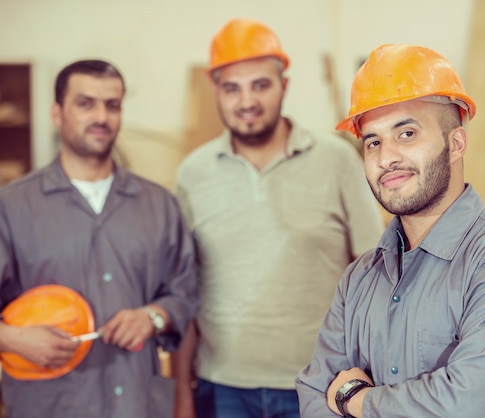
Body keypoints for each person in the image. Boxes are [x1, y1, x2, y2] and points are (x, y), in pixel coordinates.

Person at [295, 44, 485, 418]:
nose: (386, 156)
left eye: (406, 133)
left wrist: (354, 400)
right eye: (372, 141)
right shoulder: (358, 279)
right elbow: (313, 394)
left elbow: (468, 407)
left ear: (456, 143)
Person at [172, 18, 384, 418]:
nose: (246, 101)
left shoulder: (336, 160)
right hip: (222, 387)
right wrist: (182, 393)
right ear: (214, 90)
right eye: (231, 88)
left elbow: (372, 271)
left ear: (284, 85)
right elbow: (183, 288)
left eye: (260, 85)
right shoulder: (192, 173)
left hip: (319, 383)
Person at [0, 59, 199, 418]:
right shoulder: (11, 207)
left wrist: (154, 317)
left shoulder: (159, 204)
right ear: (57, 113)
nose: (101, 117)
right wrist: (13, 339)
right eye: (86, 103)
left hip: (137, 404)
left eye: (112, 105)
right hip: (47, 405)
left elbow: (185, 292)